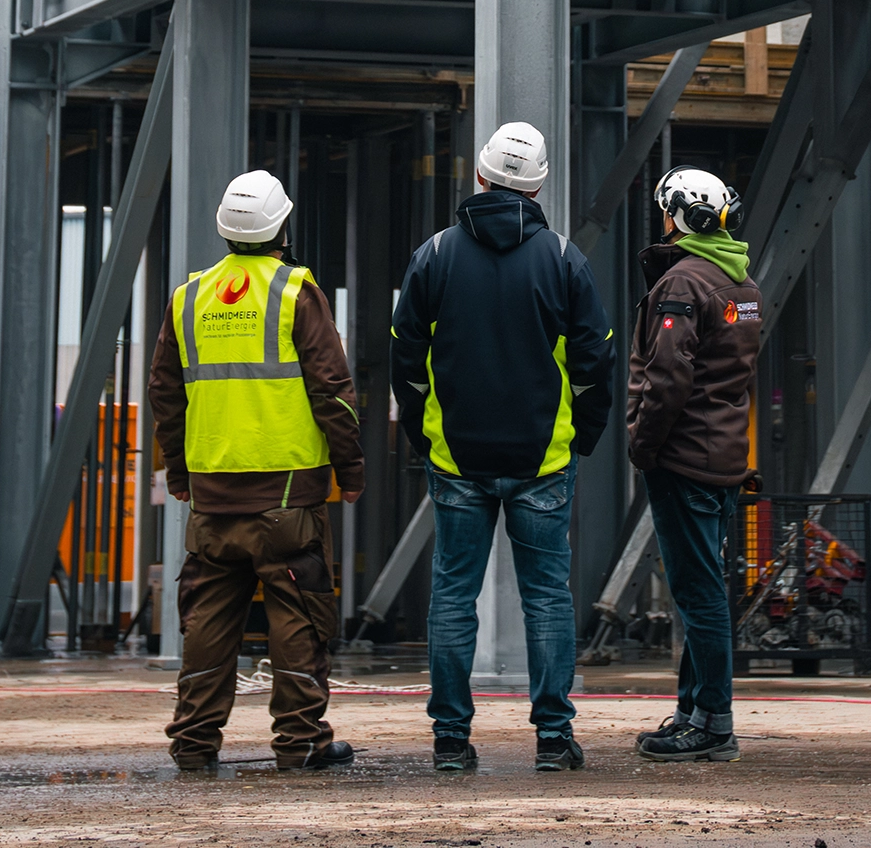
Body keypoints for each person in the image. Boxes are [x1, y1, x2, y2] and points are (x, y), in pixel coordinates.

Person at [391, 122, 616, 773]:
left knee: (453, 595)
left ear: (481, 177)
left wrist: (424, 434)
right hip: (542, 461)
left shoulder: (433, 256)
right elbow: (596, 362)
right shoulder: (565, 259)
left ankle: (450, 741)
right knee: (546, 595)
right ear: (539, 185)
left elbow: (405, 360)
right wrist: (585, 438)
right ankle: (552, 738)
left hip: (456, 458)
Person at [148, 170, 365, 771]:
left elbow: (165, 394)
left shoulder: (189, 297)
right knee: (297, 614)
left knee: (208, 620)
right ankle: (300, 744)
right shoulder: (295, 291)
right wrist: (350, 468)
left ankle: (194, 743)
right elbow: (335, 393)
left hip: (213, 499)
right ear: (281, 225)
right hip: (289, 497)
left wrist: (180, 476)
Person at [626, 166, 761, 762]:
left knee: (699, 592)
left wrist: (643, 443)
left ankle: (715, 724)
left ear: (678, 215)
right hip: (723, 456)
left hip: (684, 458)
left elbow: (668, 378)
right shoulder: (741, 285)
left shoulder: (683, 284)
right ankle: (693, 710)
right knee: (700, 588)